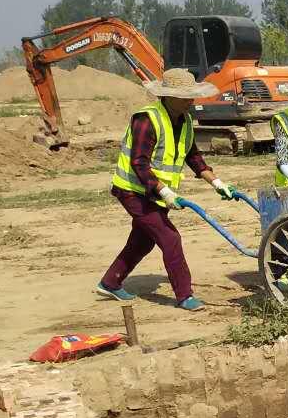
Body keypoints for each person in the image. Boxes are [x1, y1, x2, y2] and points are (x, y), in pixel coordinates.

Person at [99, 68, 238, 311]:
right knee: (170, 238)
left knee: (143, 240)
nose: (190, 101)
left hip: (155, 193)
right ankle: (184, 295)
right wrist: (164, 191)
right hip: (133, 191)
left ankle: (110, 282)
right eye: (184, 96)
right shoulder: (146, 119)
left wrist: (217, 183)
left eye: (191, 96)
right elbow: (139, 163)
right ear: (167, 96)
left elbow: (193, 157)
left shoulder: (185, 122)